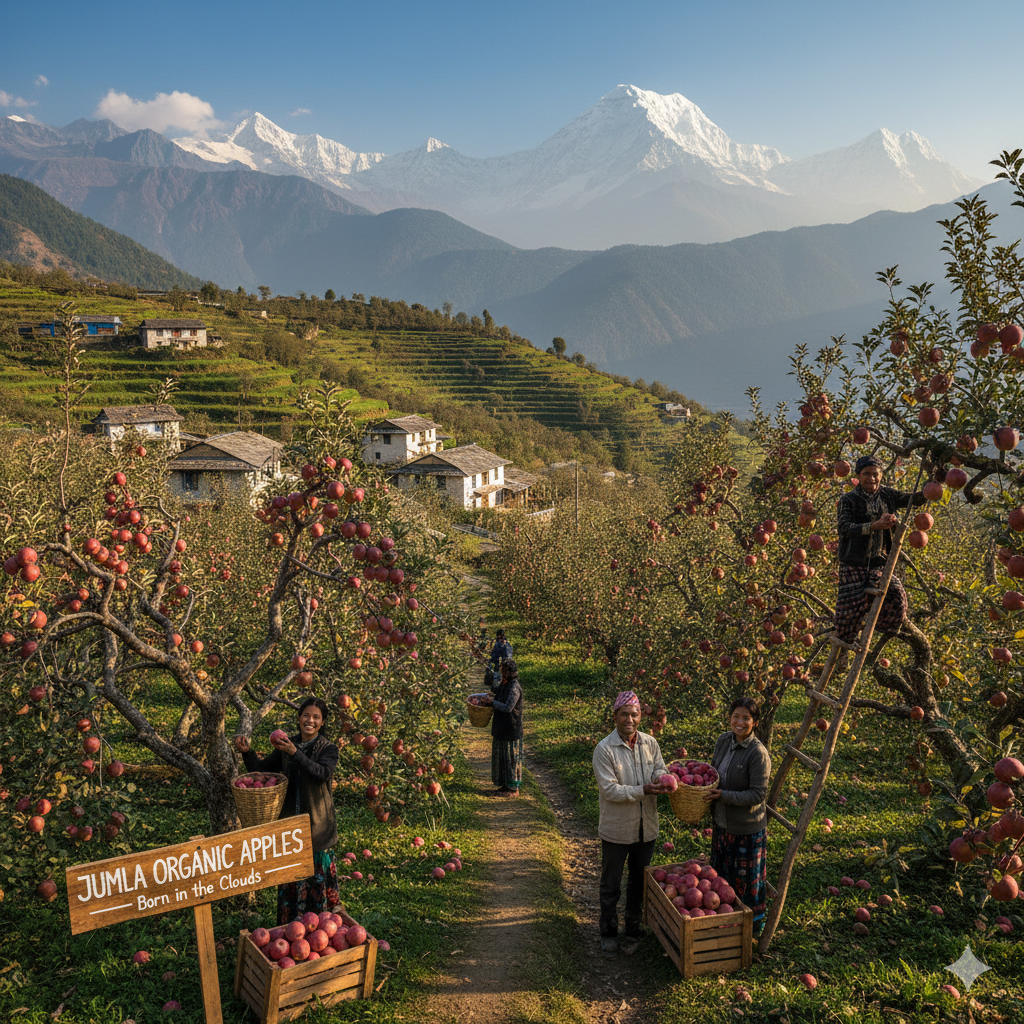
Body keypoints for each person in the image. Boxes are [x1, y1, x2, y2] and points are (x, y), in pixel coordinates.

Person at [234, 697, 339, 924]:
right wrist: (247, 752)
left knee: (316, 886)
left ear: (322, 723)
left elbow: (321, 774)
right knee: (291, 881)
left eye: (316, 717)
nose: (310, 720)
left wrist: (294, 753)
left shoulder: (328, 749)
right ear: (299, 717)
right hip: (290, 829)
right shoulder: (286, 744)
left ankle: (320, 934)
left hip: (317, 830)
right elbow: (261, 770)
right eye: (306, 715)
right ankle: (291, 932)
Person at [592, 691, 670, 959]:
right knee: (611, 883)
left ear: (640, 717)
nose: (629, 719)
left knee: (639, 881)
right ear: (614, 716)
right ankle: (609, 932)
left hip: (646, 827)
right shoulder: (604, 749)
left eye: (634, 714)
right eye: (624, 714)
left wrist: (663, 779)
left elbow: (659, 768)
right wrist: (643, 790)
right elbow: (610, 790)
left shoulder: (650, 744)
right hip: (617, 829)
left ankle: (633, 929)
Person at [835, 454, 925, 644]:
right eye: (866, 474)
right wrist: (873, 525)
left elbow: (911, 499)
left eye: (875, 474)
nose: (871, 478)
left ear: (881, 475)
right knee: (848, 614)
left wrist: (932, 484)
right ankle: (844, 647)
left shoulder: (887, 495)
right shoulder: (848, 500)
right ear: (858, 476)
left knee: (897, 598)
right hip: (853, 563)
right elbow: (844, 528)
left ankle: (876, 628)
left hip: (879, 563)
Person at [703, 697, 772, 938]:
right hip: (722, 824)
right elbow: (713, 771)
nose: (739, 722)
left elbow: (758, 794)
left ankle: (751, 931)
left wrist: (724, 795)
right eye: (736, 716)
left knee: (745, 882)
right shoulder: (724, 740)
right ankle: (725, 928)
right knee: (722, 878)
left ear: (754, 722)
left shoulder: (757, 753)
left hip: (746, 830)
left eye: (746, 718)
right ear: (729, 717)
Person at [480, 657, 523, 796]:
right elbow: (497, 691)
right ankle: (505, 786)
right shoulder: (505, 684)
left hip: (511, 729)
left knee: (511, 759)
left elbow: (508, 707)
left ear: (509, 673)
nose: (502, 674)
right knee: (502, 759)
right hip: (501, 728)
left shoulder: (514, 687)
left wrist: (493, 703)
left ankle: (513, 789)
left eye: (504, 671)